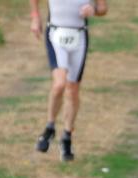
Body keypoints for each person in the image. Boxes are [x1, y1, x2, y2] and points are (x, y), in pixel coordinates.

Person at [29, 0, 108, 161]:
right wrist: (36, 17)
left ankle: (66, 137)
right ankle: (50, 127)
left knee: (73, 90)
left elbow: (103, 8)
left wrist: (93, 10)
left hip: (79, 36)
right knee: (59, 84)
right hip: (56, 33)